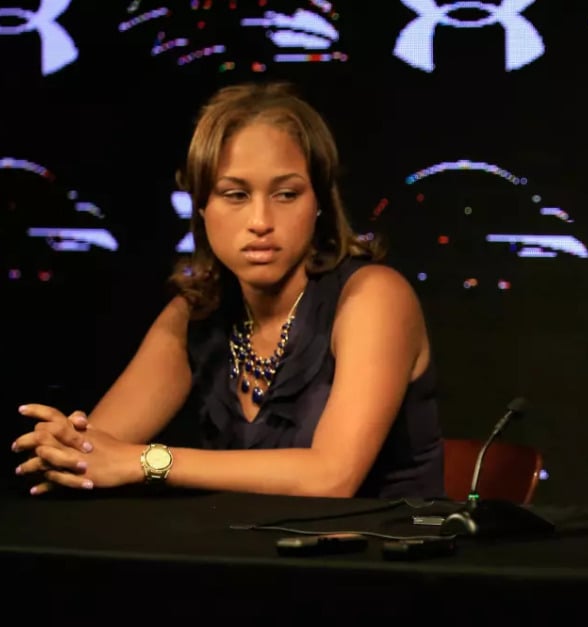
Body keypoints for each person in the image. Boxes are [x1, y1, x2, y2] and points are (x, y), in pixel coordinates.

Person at [12, 82, 444, 499]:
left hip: (384, 563)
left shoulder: (373, 297)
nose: (260, 220)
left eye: (287, 193)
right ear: (202, 207)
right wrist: (65, 448)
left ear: (319, 204)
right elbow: (99, 451)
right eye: (235, 194)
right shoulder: (196, 313)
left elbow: (331, 478)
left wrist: (147, 461)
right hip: (247, 563)